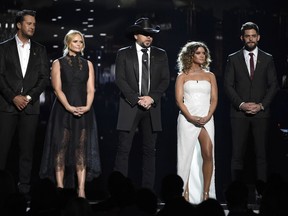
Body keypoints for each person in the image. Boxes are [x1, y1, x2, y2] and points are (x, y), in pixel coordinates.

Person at [39, 30, 101, 198]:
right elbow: (56, 89)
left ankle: (81, 190)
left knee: (81, 149)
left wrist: (87, 106)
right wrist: (67, 106)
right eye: (75, 41)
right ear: (67, 43)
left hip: (83, 111)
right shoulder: (58, 63)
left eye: (81, 41)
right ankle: (59, 188)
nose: (79, 44)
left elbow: (90, 89)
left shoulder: (88, 64)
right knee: (60, 148)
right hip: (62, 111)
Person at [113, 17, 170, 190]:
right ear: (136, 35)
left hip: (152, 107)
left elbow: (165, 80)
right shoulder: (123, 53)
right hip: (130, 105)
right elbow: (120, 79)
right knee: (123, 150)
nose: (149, 37)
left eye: (151, 34)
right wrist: (137, 99)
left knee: (149, 151)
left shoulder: (161, 54)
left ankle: (147, 192)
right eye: (146, 34)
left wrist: (151, 98)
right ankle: (119, 192)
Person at [0, 9, 50, 196]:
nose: (32, 27)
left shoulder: (40, 49)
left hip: (30, 107)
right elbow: (0, 76)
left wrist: (28, 97)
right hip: (6, 106)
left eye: (34, 24)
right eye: (29, 23)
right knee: (2, 150)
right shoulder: (3, 47)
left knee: (27, 152)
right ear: (19, 25)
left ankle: (24, 191)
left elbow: (44, 78)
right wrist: (13, 97)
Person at [223, 22, 279, 182]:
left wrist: (261, 105)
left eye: (253, 36)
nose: (250, 39)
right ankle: (236, 191)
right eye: (247, 36)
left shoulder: (267, 59)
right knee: (237, 155)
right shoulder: (233, 58)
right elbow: (228, 85)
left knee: (261, 155)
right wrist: (241, 104)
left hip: (261, 113)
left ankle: (261, 193)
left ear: (258, 37)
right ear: (242, 38)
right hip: (239, 114)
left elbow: (273, 85)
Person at [175, 41, 218, 204]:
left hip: (206, 119)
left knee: (208, 153)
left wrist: (207, 116)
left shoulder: (210, 75)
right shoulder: (183, 76)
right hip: (187, 119)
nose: (202, 56)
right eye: (198, 53)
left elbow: (214, 99)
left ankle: (206, 194)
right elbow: (179, 101)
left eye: (204, 53)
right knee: (185, 156)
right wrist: (190, 117)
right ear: (190, 55)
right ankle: (184, 194)